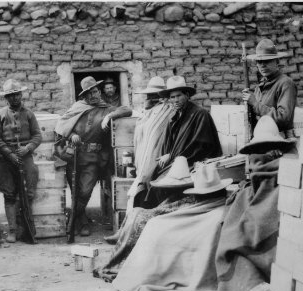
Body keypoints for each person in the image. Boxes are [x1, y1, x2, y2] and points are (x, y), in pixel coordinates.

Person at [112, 164, 233, 291]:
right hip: (194, 227)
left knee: (155, 226)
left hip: (187, 236)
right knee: (155, 225)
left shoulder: (216, 213)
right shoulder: (222, 208)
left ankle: (147, 273)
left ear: (198, 195)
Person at [215, 115, 297, 291]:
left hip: (281, 258)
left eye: (266, 150)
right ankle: (252, 285)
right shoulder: (245, 193)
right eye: (256, 152)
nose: (259, 160)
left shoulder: (287, 181)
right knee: (235, 246)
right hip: (253, 260)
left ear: (277, 152)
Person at [94, 156, 195, 281]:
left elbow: (167, 210)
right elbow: (163, 207)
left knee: (139, 216)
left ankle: (122, 249)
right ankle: (121, 234)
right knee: (136, 212)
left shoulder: (191, 198)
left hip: (172, 220)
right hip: (166, 215)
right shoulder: (176, 195)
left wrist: (150, 213)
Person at [54, 76, 132, 236]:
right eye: (89, 93)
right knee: (75, 191)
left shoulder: (106, 108)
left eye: (95, 91)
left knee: (85, 191)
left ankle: (72, 218)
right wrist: (71, 135)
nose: (93, 95)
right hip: (73, 156)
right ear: (84, 96)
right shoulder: (77, 108)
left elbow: (127, 110)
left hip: (92, 158)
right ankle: (81, 222)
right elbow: (62, 126)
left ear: (99, 91)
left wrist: (110, 116)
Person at [104, 76, 174, 244]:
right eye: (147, 95)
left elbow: (158, 139)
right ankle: (125, 232)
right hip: (142, 163)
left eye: (152, 96)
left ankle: (127, 235)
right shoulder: (147, 113)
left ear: (161, 97)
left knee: (140, 197)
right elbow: (128, 111)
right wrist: (110, 116)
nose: (148, 99)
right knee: (135, 197)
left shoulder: (166, 112)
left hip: (155, 162)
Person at [137, 75, 222, 209]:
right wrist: (168, 154)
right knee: (148, 178)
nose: (175, 100)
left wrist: (173, 156)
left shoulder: (199, 114)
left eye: (178, 96)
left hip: (194, 161)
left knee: (162, 185)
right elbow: (169, 143)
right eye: (172, 97)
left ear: (187, 95)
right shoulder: (175, 116)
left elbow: (200, 145)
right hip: (177, 160)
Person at [0, 79, 41, 243]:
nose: (14, 98)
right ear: (6, 98)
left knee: (29, 190)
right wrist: (8, 153)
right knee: (9, 193)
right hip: (6, 159)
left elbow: (37, 136)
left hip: (25, 156)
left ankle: (23, 225)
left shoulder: (28, 114)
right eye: (11, 96)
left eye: (17, 94)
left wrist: (28, 148)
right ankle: (12, 230)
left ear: (21, 95)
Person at [242, 38, 297, 135]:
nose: (262, 65)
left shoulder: (286, 83)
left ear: (277, 61)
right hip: (262, 140)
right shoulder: (259, 87)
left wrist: (255, 104)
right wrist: (249, 103)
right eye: (259, 61)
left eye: (267, 61)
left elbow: (283, 119)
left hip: (281, 143)